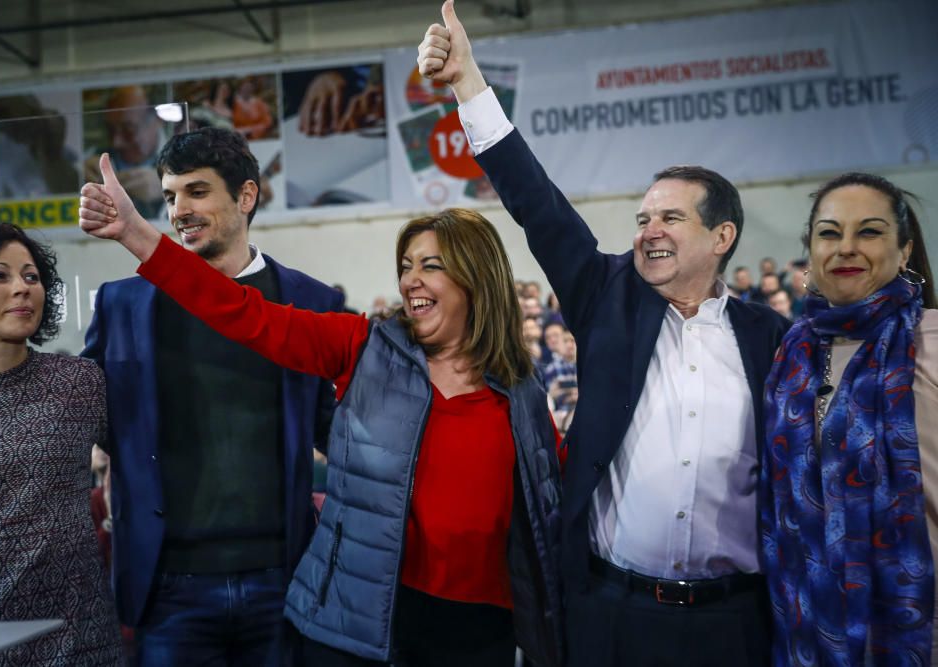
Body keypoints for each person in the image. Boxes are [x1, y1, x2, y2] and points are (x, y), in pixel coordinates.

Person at [79, 157, 565, 666]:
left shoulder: (521, 393)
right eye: (405, 266)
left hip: (485, 626)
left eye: (431, 266)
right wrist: (136, 235)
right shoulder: (362, 346)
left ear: (476, 279)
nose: (410, 282)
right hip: (375, 621)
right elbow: (240, 312)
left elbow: (550, 503)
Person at [418, 2, 790, 664]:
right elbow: (537, 202)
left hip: (733, 624)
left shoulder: (772, 339)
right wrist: (470, 84)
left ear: (721, 236)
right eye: (644, 216)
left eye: (671, 217)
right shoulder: (605, 295)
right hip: (614, 617)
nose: (649, 229)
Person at [81, 127, 343, 667]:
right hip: (169, 587)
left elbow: (336, 432)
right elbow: (83, 420)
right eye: (171, 195)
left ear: (246, 196)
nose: (179, 210)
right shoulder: (121, 305)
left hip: (284, 581)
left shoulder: (314, 302)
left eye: (197, 191)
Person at [761, 172, 938, 665]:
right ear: (810, 252)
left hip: (918, 628)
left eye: (870, 231)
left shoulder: (931, 343)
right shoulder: (790, 358)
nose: (846, 248)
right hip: (810, 628)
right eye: (830, 233)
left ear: (905, 252)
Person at [0, 221, 123, 665]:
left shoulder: (81, 384)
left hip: (80, 639)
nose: (22, 288)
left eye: (31, 276)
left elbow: (149, 458)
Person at [85, 85, 167, 218]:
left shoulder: (184, 158)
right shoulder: (94, 156)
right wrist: (79, 179)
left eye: (129, 129)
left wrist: (167, 188)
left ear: (157, 121)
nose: (116, 142)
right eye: (110, 129)